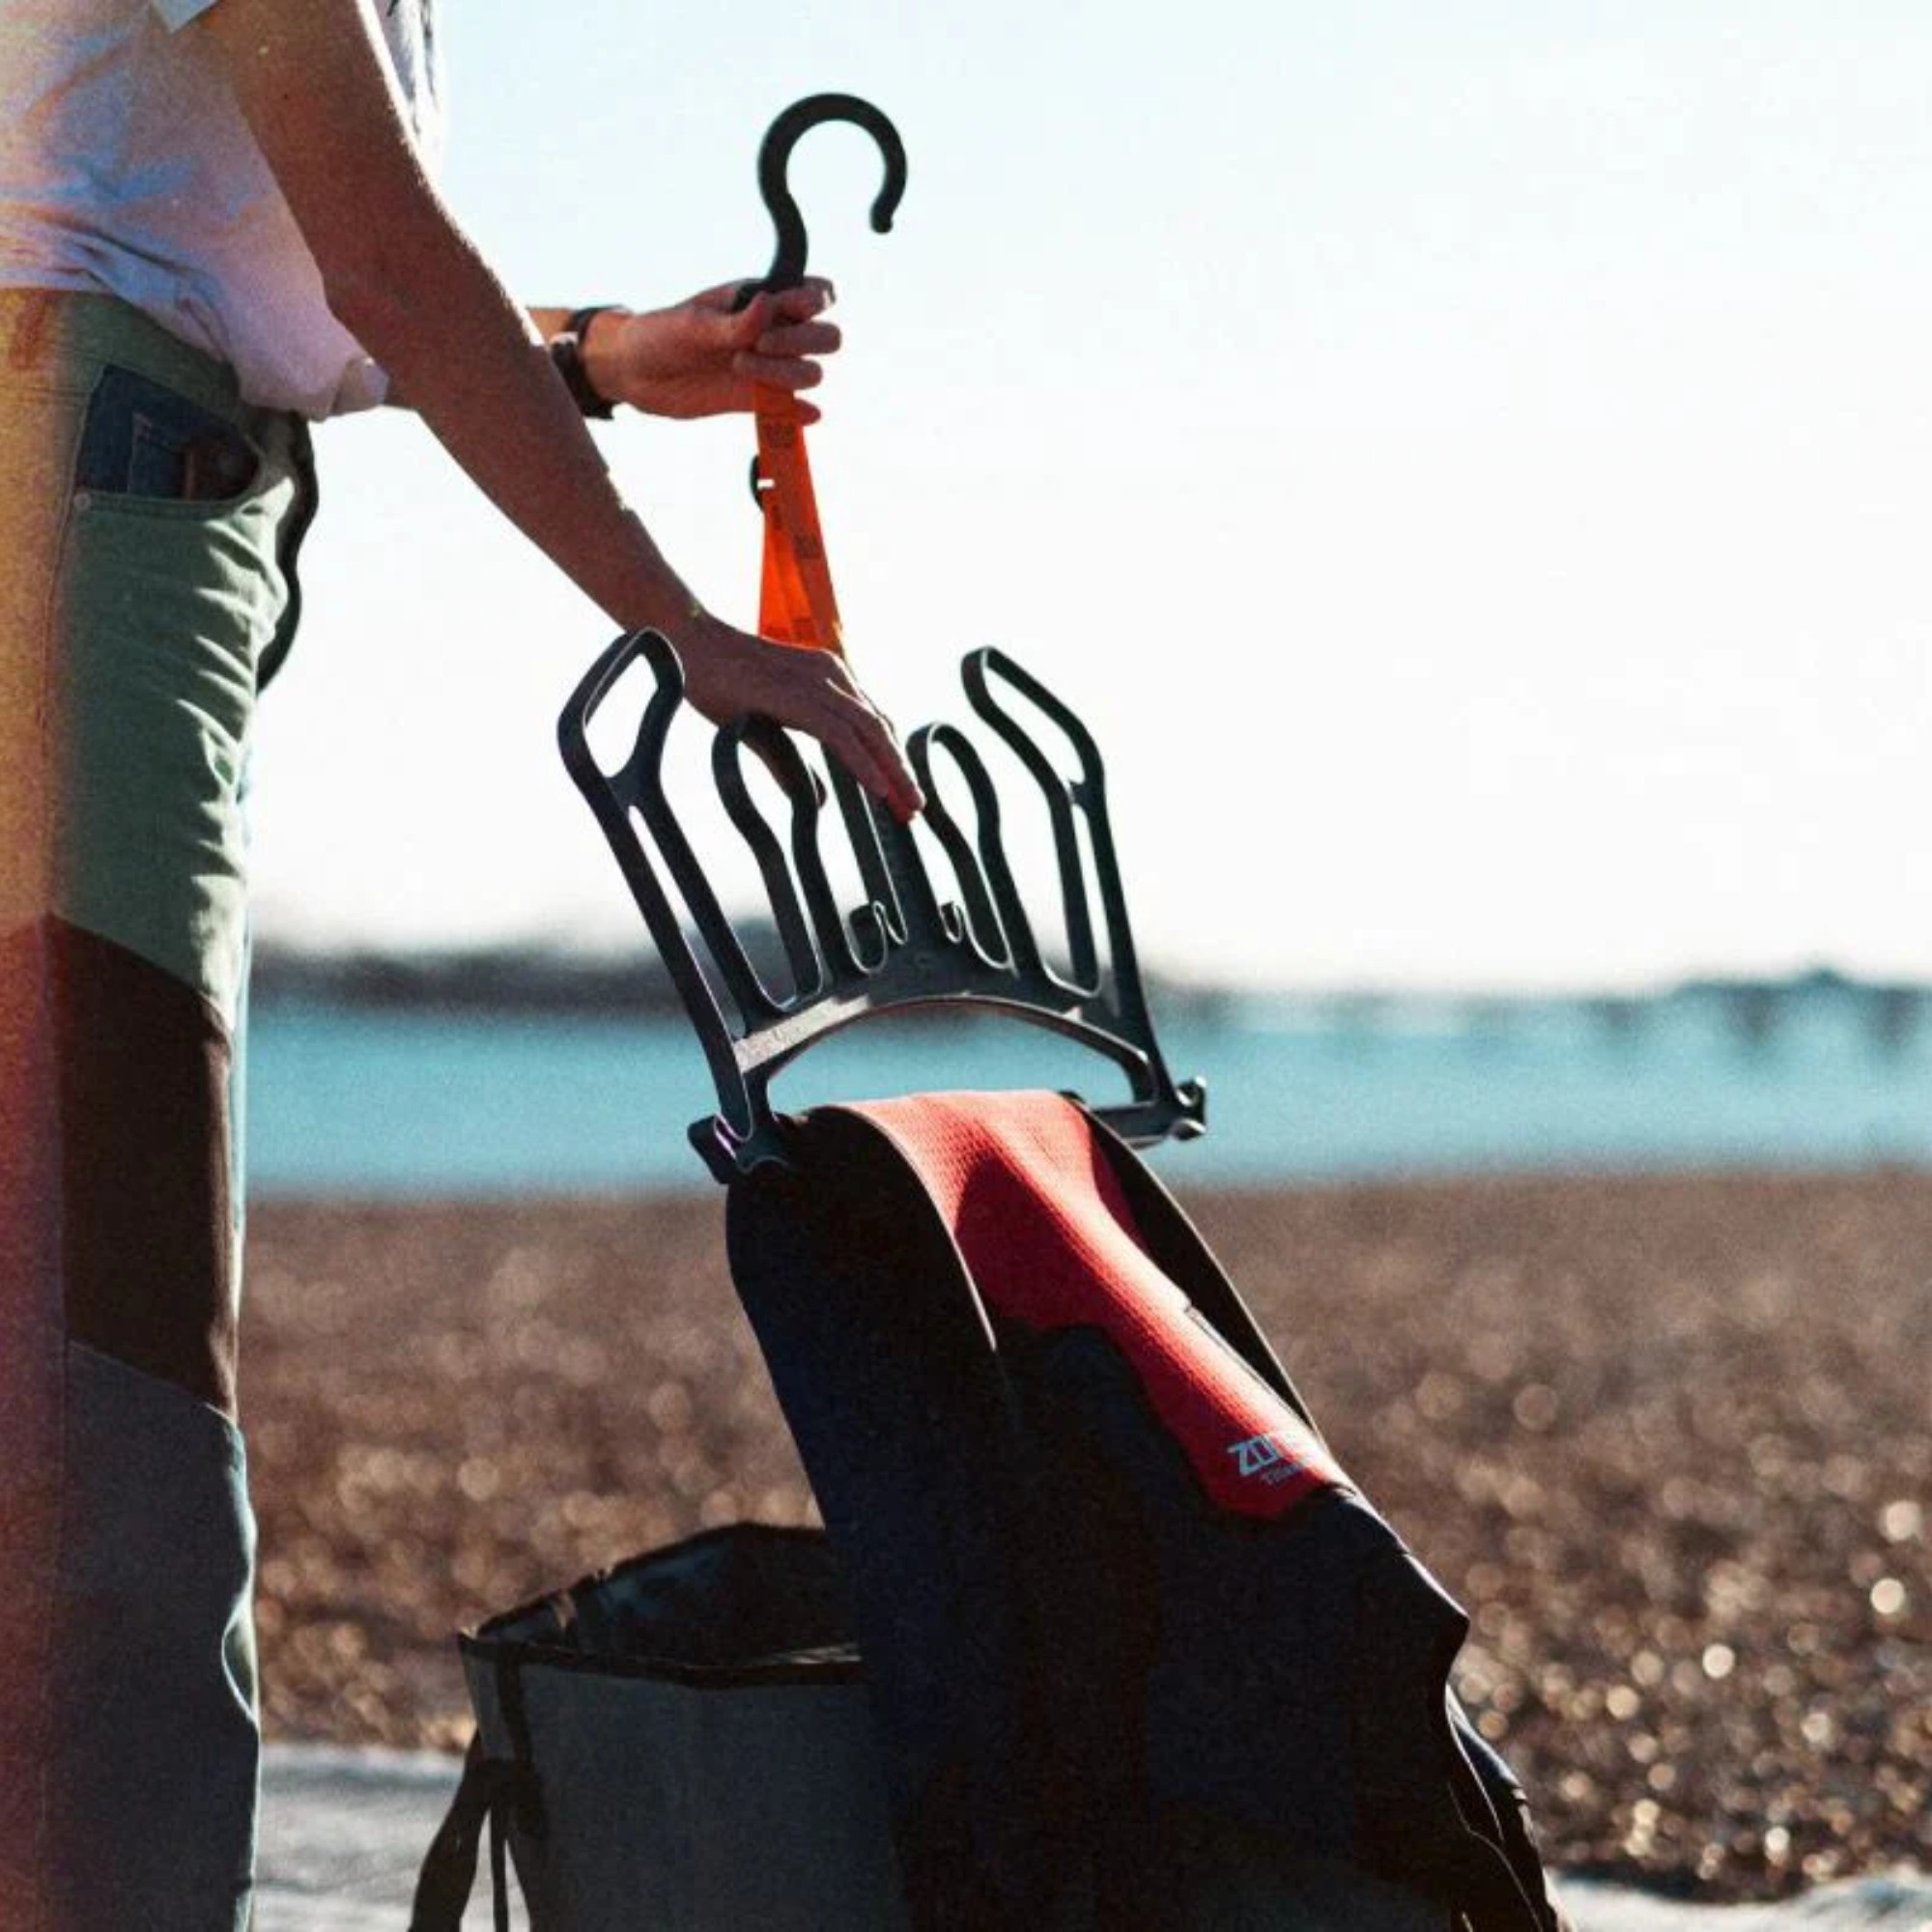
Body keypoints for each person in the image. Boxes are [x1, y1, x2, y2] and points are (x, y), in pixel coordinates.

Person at [0, 1, 923, 1924]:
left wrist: (598, 356)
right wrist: (680, 624)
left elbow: (260, 258)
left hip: (124, 477)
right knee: (102, 1346)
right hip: (78, 504)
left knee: (69, 1294)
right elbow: (384, 260)